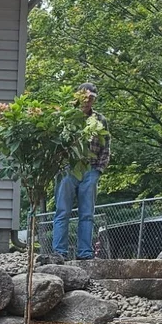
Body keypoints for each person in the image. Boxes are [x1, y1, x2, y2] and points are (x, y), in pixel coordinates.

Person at [50, 83, 110, 261]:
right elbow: (55, 143)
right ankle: (59, 253)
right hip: (68, 168)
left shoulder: (100, 120)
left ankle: (85, 253)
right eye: (85, 97)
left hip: (90, 169)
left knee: (87, 214)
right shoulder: (66, 117)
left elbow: (106, 147)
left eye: (91, 98)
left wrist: (98, 170)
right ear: (78, 97)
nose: (88, 100)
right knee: (62, 211)